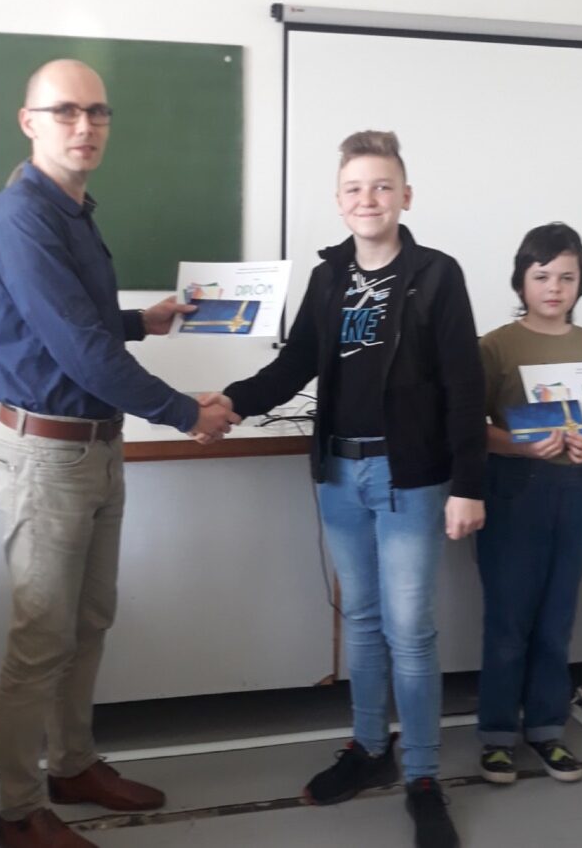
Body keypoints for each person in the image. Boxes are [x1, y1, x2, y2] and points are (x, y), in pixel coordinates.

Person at [0, 59, 239, 848]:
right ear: (29, 122)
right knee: (40, 639)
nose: (84, 125)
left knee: (87, 623)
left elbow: (70, 323)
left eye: (96, 112)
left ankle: (72, 765)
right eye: (65, 111)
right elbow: (78, 350)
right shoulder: (20, 216)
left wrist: (140, 322)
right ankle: (19, 811)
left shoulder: (74, 210)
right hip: (47, 457)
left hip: (93, 447)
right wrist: (186, 412)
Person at [201, 131, 486, 848]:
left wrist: (468, 485)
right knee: (359, 619)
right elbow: (294, 362)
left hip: (410, 476)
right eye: (355, 188)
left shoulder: (436, 275)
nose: (368, 199)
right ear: (338, 201)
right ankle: (368, 748)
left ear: (405, 196)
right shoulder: (328, 278)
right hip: (339, 471)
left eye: (382, 186)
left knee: (409, 631)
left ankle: (423, 776)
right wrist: (231, 402)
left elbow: (464, 385)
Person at [476, 223, 582, 786]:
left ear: (581, 283)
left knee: (558, 619)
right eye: (541, 276)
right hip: (514, 490)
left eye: (567, 277)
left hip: (575, 490)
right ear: (521, 281)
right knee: (508, 621)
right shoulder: (494, 346)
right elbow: (468, 428)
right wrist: (519, 444)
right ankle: (496, 737)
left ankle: (547, 729)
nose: (554, 288)